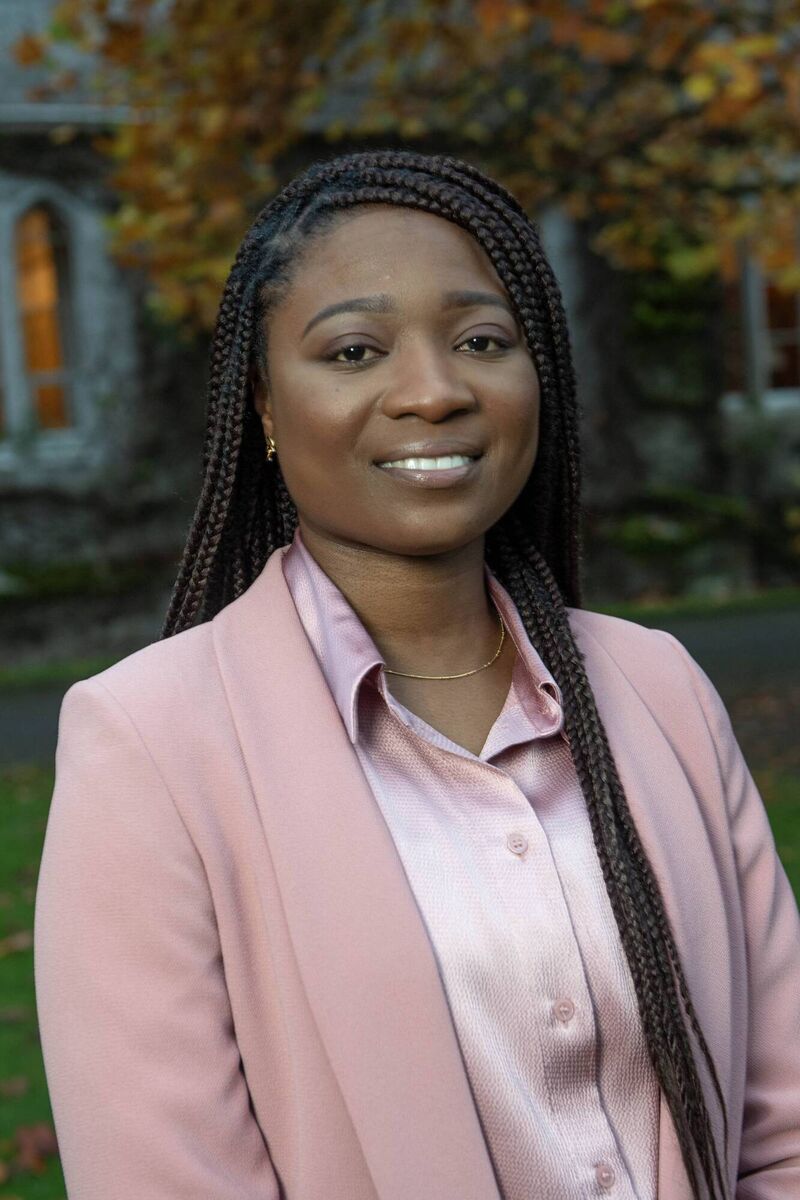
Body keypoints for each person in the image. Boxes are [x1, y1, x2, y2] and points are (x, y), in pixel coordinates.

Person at [33, 150, 800, 1200]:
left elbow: (782, 1127)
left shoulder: (656, 688)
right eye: (353, 351)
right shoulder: (152, 743)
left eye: (481, 341)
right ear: (263, 406)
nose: (433, 392)